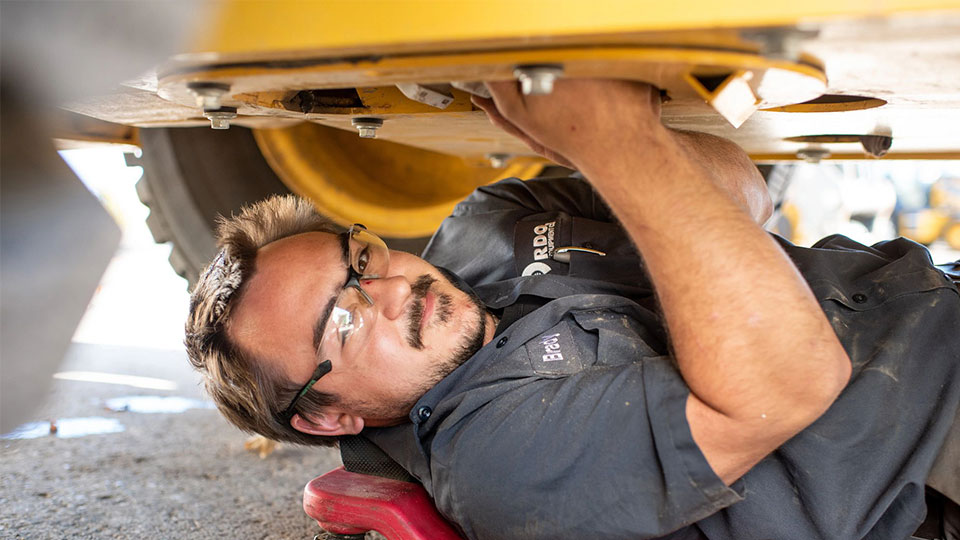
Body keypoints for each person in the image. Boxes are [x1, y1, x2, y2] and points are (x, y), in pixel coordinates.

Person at [185, 79, 960, 539]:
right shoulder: (496, 459)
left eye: (359, 263)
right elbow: (793, 381)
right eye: (343, 323)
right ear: (328, 417)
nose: (388, 293)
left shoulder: (484, 222)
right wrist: (612, 134)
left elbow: (742, 195)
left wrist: (606, 134)